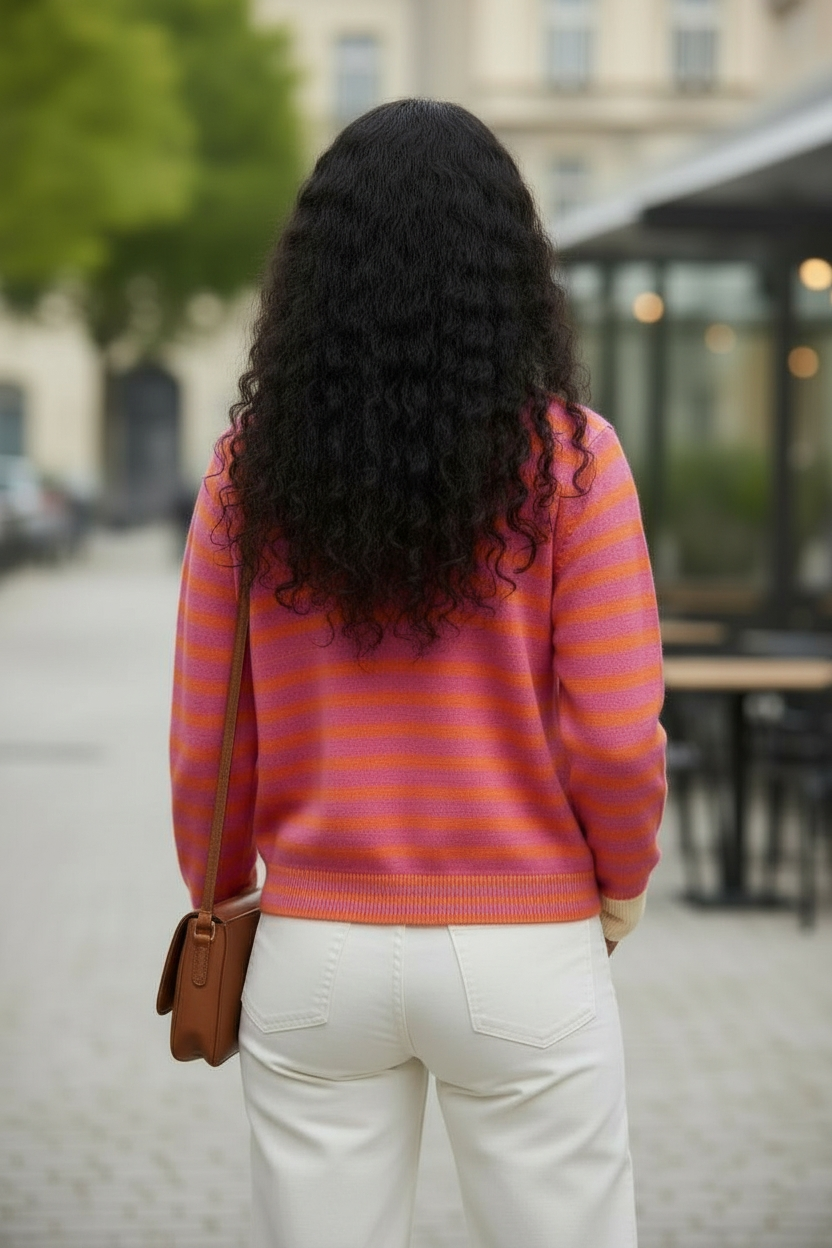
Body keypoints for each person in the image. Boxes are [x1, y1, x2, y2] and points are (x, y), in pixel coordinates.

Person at [170, 99, 666, 1248]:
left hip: (312, 947)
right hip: (525, 943)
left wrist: (219, 889)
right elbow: (614, 733)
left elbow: (208, 735)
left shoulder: (251, 469)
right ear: (510, 264)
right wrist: (622, 878)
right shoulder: (575, 458)